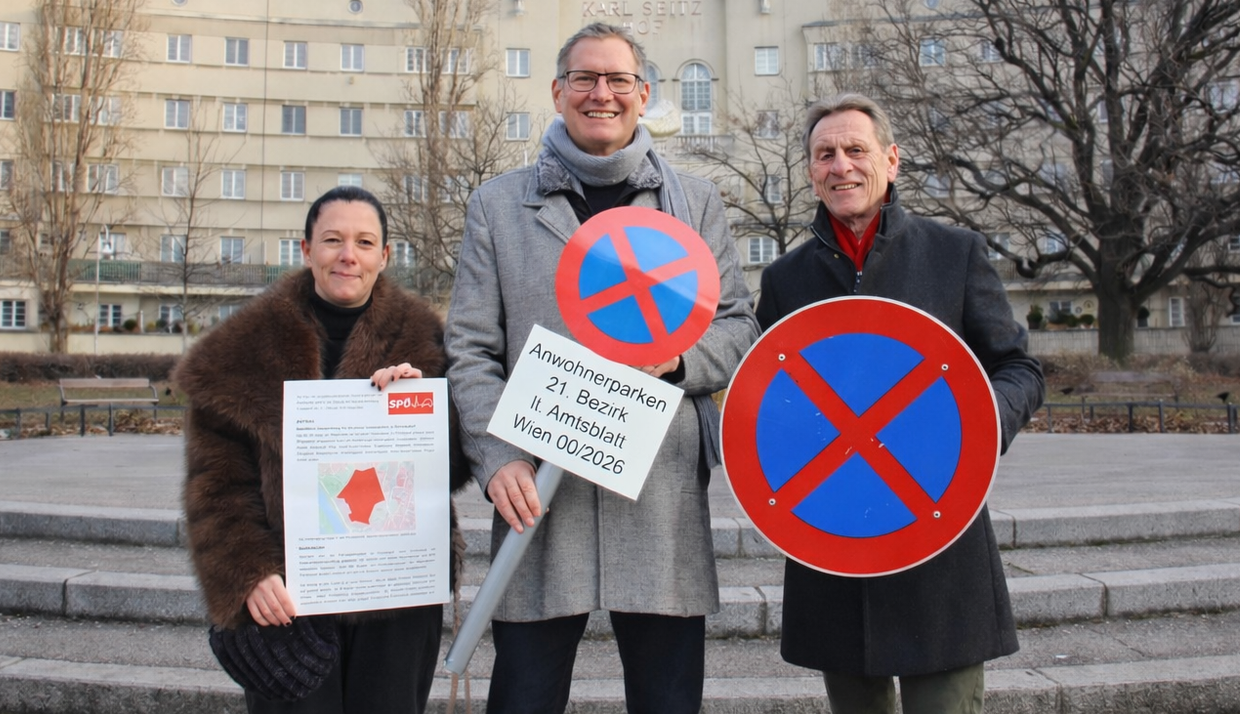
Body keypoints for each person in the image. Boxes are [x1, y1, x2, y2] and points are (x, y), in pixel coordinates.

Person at [445, 22, 759, 714]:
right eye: (584, 78)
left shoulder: (695, 202)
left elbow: (739, 327)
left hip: (659, 493)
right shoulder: (497, 205)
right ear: (558, 92)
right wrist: (498, 460)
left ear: (643, 94)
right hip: (536, 493)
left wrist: (677, 359)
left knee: (667, 699)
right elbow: (469, 349)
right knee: (523, 695)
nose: (601, 93)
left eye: (618, 80)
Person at [755, 94, 1045, 714]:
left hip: (936, 533)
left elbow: (1019, 367)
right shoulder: (784, 279)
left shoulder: (954, 253)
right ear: (810, 171)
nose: (841, 166)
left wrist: (980, 421)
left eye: (856, 150)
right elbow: (770, 403)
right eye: (824, 154)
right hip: (832, 537)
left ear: (891, 160)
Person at [176, 185, 470, 714]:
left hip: (395, 596)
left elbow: (454, 468)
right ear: (306, 249)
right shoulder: (242, 348)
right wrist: (248, 573)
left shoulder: (424, 341)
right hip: (288, 601)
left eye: (363, 242)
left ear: (384, 255)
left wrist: (425, 411)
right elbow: (215, 486)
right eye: (332, 240)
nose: (347, 256)